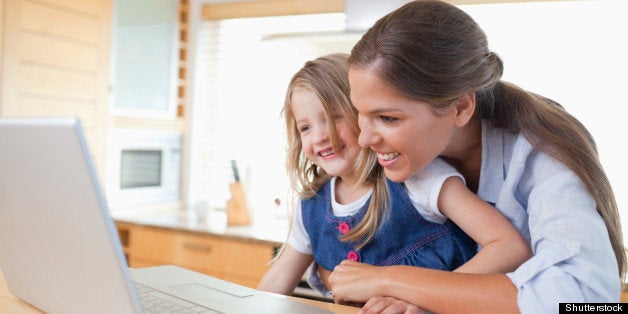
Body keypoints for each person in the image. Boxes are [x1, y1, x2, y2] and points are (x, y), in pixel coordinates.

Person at [326, 1, 625, 313]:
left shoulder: (543, 155)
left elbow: (582, 301)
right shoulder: (411, 159)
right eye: (360, 113)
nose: (365, 138)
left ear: (460, 109)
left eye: (388, 118)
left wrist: (392, 281)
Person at [257, 53, 531, 298]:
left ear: (364, 114)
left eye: (334, 118)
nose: (319, 137)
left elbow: (509, 247)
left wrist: (432, 297)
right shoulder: (312, 205)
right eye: (305, 127)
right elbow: (276, 282)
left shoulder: (420, 178)